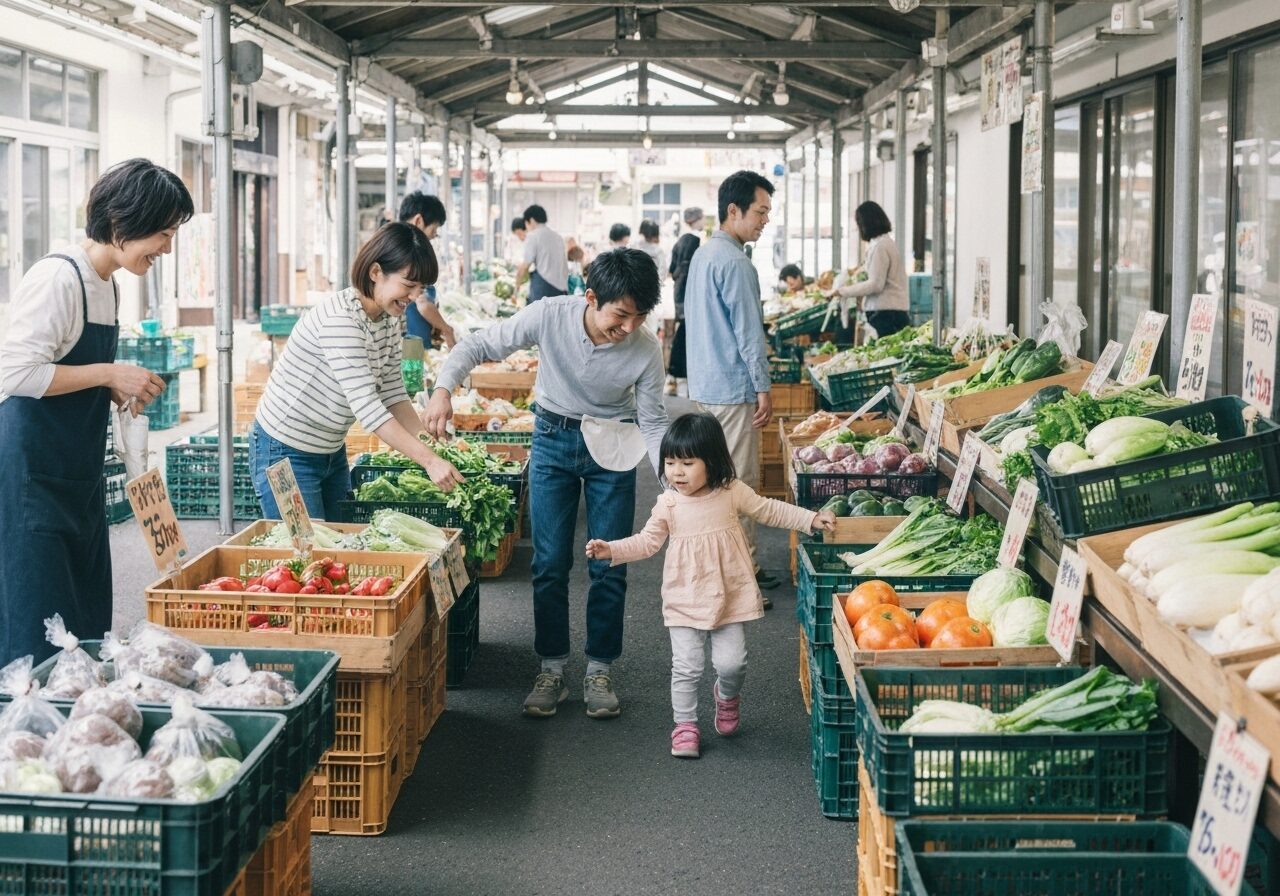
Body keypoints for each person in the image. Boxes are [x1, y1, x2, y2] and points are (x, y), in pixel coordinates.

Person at [423, 249, 668, 721]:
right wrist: (442, 389)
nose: (628, 328)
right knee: (550, 562)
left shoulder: (645, 349)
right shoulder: (549, 314)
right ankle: (551, 667)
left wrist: (671, 484)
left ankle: (600, 669)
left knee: (609, 560)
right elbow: (477, 345)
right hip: (553, 440)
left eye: (638, 317)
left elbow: (654, 421)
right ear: (591, 298)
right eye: (620, 315)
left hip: (613, 445)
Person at [0, 157, 193, 665]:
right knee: (38, 624)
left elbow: (67, 369)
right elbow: (14, 374)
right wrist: (108, 374)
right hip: (32, 477)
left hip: (77, 473)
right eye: (163, 234)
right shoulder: (58, 278)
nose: (166, 249)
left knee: (85, 618)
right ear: (121, 223)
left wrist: (114, 390)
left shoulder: (108, 284)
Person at [586, 413, 835, 758]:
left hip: (729, 594)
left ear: (713, 461)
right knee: (686, 667)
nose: (677, 472)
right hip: (685, 597)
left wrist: (809, 518)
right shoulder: (669, 504)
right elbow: (647, 542)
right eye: (670, 462)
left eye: (687, 463)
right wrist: (611, 549)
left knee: (733, 663)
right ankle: (685, 725)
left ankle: (727, 696)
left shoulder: (731, 492)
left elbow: (768, 510)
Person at [250, 222, 462, 521]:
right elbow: (368, 408)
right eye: (408, 285)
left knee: (340, 547)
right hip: (285, 449)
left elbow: (392, 392)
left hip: (330, 449)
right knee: (307, 553)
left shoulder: (389, 317)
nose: (414, 297)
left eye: (420, 289)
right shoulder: (342, 321)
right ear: (376, 273)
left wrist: (431, 446)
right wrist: (428, 460)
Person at [684, 170, 782, 598]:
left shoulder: (705, 256)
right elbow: (748, 331)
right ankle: (742, 579)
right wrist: (763, 385)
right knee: (738, 484)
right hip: (732, 388)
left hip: (706, 386)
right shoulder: (737, 263)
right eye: (759, 212)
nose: (764, 221)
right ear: (733, 210)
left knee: (713, 483)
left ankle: (728, 569)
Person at [825, 201, 910, 338]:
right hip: (891, 312)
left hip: (887, 313)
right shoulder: (884, 243)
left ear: (866, 223)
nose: (858, 229)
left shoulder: (880, 247)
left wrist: (843, 291)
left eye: (858, 224)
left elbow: (875, 284)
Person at [398, 192, 457, 348]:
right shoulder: (410, 254)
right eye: (433, 230)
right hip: (411, 345)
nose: (434, 237)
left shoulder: (402, 249)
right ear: (418, 221)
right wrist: (446, 329)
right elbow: (422, 302)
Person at [666, 207, 703, 397]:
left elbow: (671, 271)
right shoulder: (694, 240)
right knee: (685, 336)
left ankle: (676, 376)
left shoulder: (679, 241)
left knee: (683, 333)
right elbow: (690, 270)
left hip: (679, 293)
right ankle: (679, 376)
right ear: (695, 220)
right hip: (688, 295)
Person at [516, 204, 569, 304]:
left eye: (526, 224)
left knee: (536, 318)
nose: (527, 228)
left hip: (544, 291)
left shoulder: (533, 236)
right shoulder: (557, 236)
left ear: (531, 220)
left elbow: (525, 266)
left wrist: (516, 286)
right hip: (562, 291)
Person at [634, 218, 667, 285]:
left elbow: (662, 270)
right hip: (648, 284)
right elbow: (662, 270)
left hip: (639, 284)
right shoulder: (658, 250)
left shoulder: (635, 247)